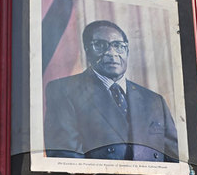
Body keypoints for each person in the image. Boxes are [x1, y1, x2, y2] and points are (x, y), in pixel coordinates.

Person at [43, 20, 179, 162]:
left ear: (127, 51)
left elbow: (174, 160)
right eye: (100, 45)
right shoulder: (64, 91)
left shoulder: (154, 100)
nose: (111, 53)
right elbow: (67, 158)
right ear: (87, 51)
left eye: (118, 46)